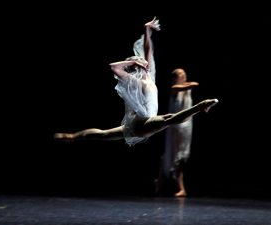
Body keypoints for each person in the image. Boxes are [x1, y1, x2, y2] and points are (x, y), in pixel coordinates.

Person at [54, 18, 219, 146]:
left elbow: (149, 49)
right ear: (137, 66)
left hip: (139, 122)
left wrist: (147, 30)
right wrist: (132, 63)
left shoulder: (149, 74)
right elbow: (114, 67)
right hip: (143, 123)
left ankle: (72, 136)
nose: (145, 61)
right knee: (169, 119)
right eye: (140, 62)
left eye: (143, 61)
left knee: (103, 134)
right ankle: (201, 106)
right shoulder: (133, 81)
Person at [156, 68, 199, 197]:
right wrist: (186, 84)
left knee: (179, 157)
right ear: (176, 78)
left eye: (184, 74)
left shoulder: (186, 88)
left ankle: (172, 186)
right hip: (175, 127)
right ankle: (163, 183)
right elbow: (191, 85)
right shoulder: (175, 88)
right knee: (170, 154)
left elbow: (194, 84)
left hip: (186, 127)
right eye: (182, 75)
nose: (184, 76)